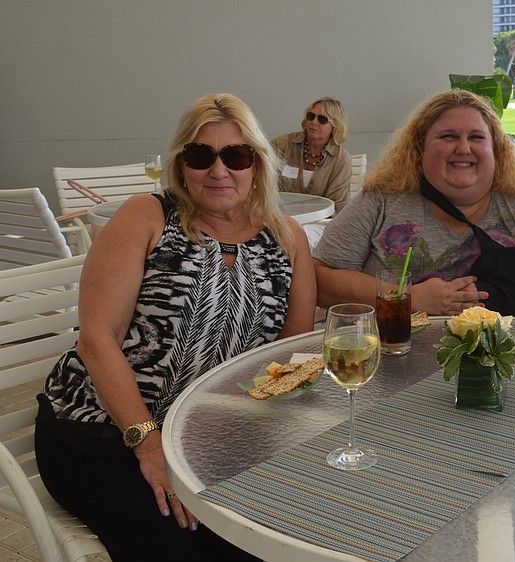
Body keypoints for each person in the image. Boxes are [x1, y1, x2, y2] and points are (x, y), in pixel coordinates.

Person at [35, 93, 317, 561]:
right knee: (177, 545)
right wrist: (148, 444)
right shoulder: (147, 216)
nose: (218, 170)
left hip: (215, 441)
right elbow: (96, 340)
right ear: (182, 164)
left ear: (259, 165)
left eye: (237, 155)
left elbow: (292, 358)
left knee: (272, 542)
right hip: (105, 433)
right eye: (201, 155)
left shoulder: (287, 237)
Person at [313, 89, 515, 317]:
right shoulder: (382, 200)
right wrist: (408, 297)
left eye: (477, 137)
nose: (463, 148)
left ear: (496, 149)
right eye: (448, 137)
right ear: (420, 148)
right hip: (391, 358)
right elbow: (320, 279)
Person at [271, 96, 352, 214]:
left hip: (320, 222)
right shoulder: (284, 144)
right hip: (280, 217)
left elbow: (338, 205)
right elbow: (259, 172)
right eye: (311, 116)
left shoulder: (341, 160)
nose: (314, 122)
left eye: (322, 119)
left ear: (335, 126)